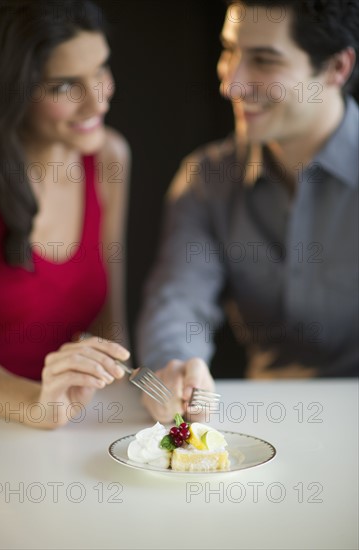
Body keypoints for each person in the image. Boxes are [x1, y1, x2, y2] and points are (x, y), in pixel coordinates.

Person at [137, 0, 359, 421]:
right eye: (229, 52)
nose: (232, 84)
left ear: (336, 68)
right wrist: (176, 369)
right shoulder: (208, 179)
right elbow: (177, 303)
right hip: (262, 421)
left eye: (263, 60)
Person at [0, 0, 131, 428]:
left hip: (68, 423)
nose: (97, 101)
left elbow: (111, 327)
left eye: (101, 70)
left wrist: (140, 393)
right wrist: (35, 402)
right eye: (65, 86)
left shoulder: (109, 158)